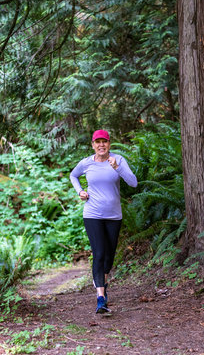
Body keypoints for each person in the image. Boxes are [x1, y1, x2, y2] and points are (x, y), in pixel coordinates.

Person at [70, 129, 137, 313]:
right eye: (97, 142)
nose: (101, 145)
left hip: (114, 216)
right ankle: (101, 298)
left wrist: (117, 167)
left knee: (109, 257)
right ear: (93, 145)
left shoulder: (118, 160)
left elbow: (133, 183)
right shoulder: (86, 163)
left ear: (109, 144)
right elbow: (73, 176)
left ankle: (102, 281)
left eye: (104, 142)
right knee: (99, 253)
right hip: (92, 214)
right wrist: (80, 191)